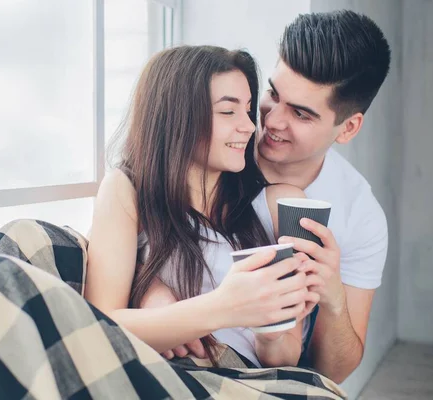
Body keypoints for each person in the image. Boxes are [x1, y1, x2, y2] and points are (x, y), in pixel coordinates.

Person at [143, 10, 392, 383]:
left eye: (301, 114)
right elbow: (146, 219)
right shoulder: (211, 145)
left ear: (348, 128)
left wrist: (333, 299)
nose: (271, 121)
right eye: (274, 94)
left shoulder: (359, 216)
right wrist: (153, 289)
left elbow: (330, 373)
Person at [85, 45, 322, 368]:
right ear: (176, 118)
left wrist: (271, 334)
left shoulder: (285, 205)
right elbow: (100, 326)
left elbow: (287, 357)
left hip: (246, 380)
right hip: (170, 376)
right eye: (228, 112)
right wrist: (223, 307)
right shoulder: (126, 191)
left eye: (248, 110)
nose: (250, 127)